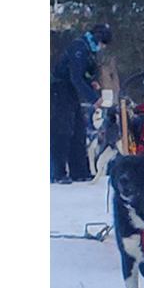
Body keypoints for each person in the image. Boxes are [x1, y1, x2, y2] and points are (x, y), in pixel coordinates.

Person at [52, 27, 100, 183]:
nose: (102, 47)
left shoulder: (88, 49)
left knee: (79, 129)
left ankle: (79, 170)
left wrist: (90, 82)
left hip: (71, 92)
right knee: (62, 130)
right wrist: (93, 98)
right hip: (59, 90)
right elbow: (75, 77)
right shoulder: (78, 47)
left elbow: (83, 75)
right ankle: (58, 172)